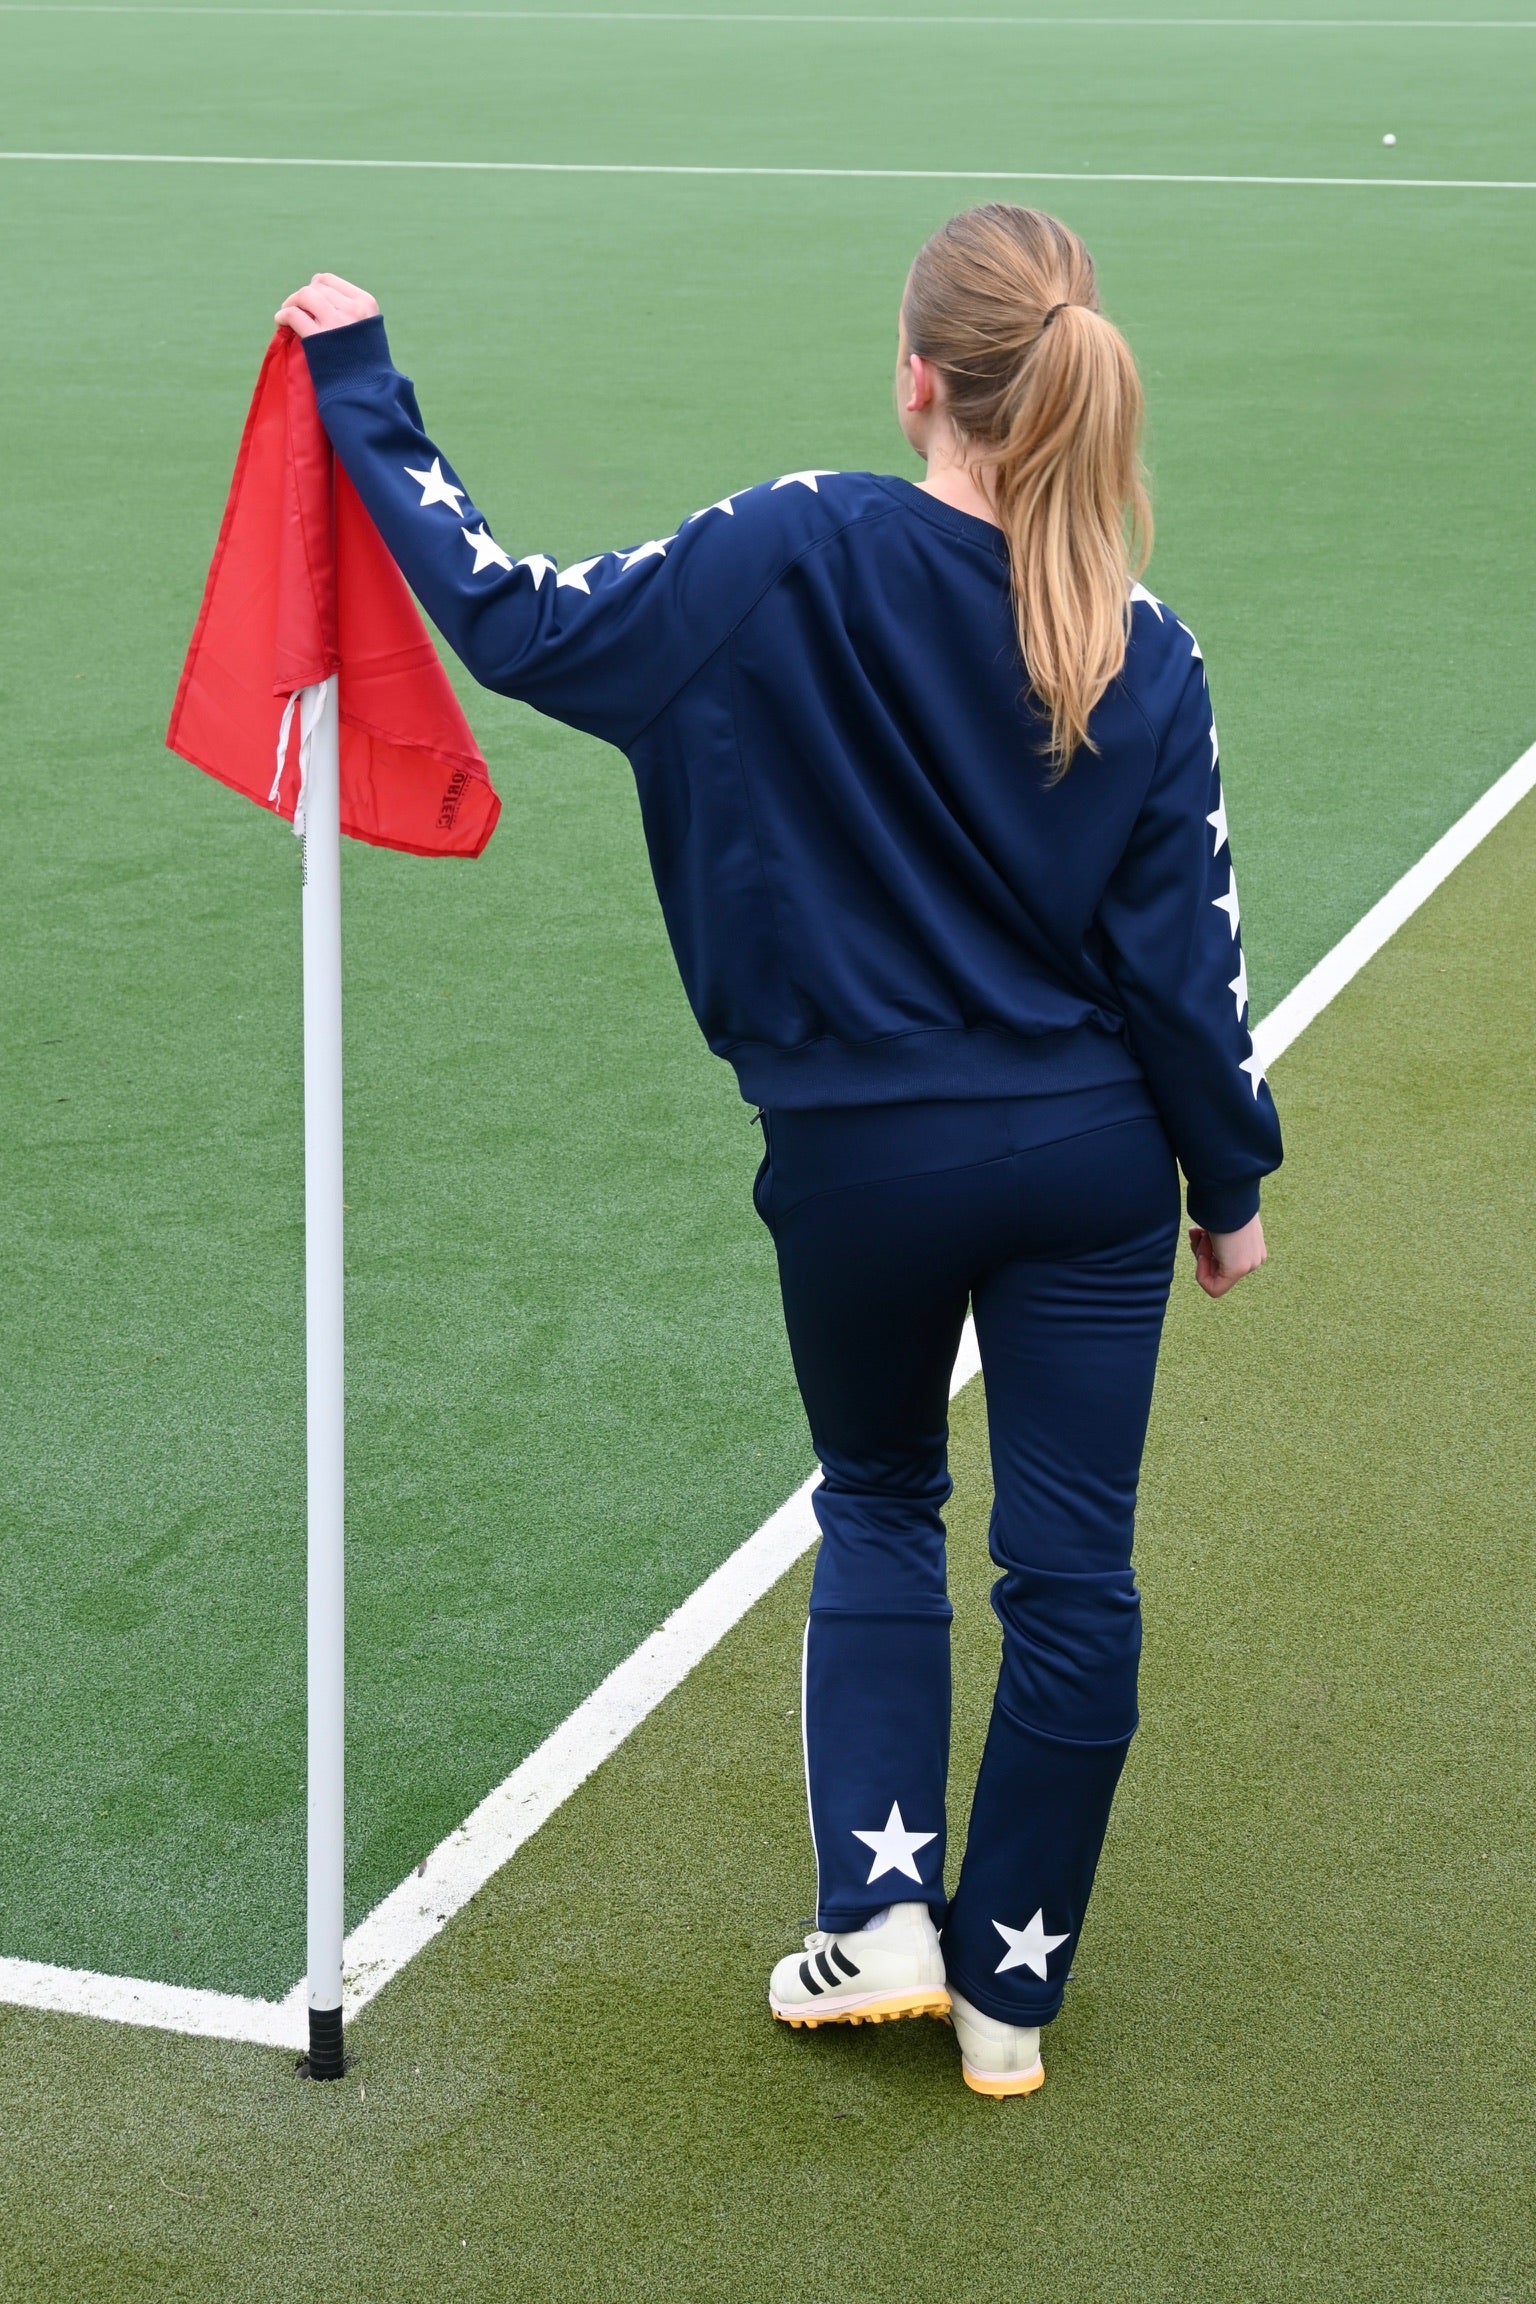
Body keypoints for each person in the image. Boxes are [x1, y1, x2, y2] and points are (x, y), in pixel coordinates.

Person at [277, 203, 1280, 2100]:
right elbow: (1189, 965)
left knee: (884, 1496)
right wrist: (1226, 1193)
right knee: (1077, 1576)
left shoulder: (792, 546)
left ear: (917, 378)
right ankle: (1012, 1996)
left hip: (860, 1165)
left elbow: (522, 623)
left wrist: (366, 394)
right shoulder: (1145, 643)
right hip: (1089, 1167)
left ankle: (878, 1914)